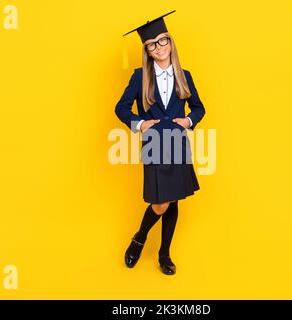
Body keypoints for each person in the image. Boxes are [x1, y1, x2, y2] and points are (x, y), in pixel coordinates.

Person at [115, 10, 206, 275]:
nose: (159, 47)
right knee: (160, 203)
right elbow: (121, 107)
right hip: (154, 144)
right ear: (147, 50)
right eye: (152, 44)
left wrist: (188, 121)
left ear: (170, 41)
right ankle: (139, 238)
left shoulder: (184, 75)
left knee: (174, 200)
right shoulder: (139, 76)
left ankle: (164, 253)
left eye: (163, 41)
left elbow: (199, 108)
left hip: (177, 144)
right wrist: (140, 124)